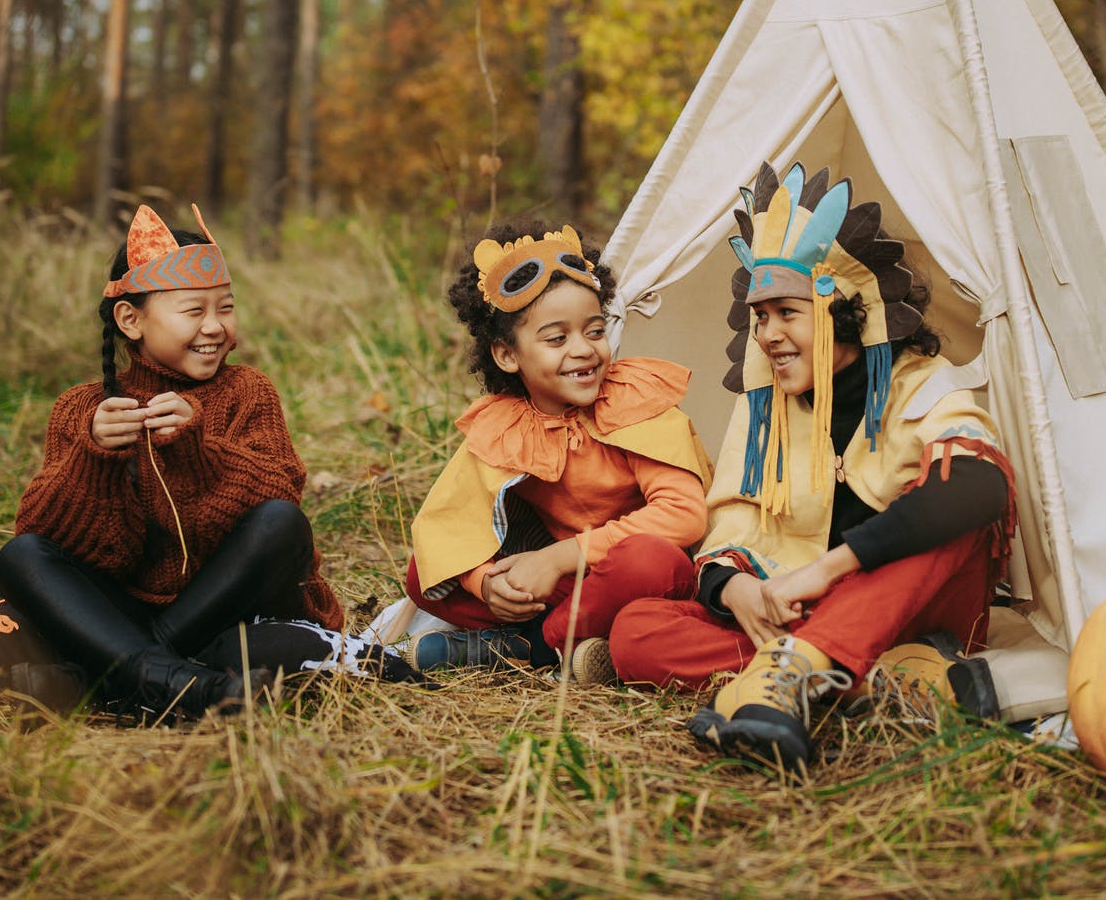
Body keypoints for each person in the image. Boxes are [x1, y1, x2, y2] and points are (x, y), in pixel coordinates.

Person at [608, 164, 1016, 771]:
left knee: (950, 506)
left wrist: (833, 567)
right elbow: (732, 527)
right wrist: (736, 587)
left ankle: (792, 676)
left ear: (843, 310)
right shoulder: (763, 409)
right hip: (812, 615)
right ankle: (881, 683)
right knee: (634, 631)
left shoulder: (921, 387)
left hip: (907, 607)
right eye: (760, 317)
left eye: (787, 314)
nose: (768, 335)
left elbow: (983, 486)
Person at [0, 204, 404, 721]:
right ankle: (182, 679)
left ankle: (127, 677)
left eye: (225, 308)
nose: (215, 327)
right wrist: (92, 459)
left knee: (280, 521)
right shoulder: (84, 409)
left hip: (227, 613)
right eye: (194, 311)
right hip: (124, 608)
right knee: (22, 556)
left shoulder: (247, 392)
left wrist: (198, 449)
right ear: (130, 319)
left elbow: (279, 508)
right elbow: (57, 537)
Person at [402, 222, 712, 684]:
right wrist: (485, 583)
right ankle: (572, 638)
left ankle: (527, 647)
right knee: (424, 570)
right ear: (508, 356)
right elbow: (450, 526)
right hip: (566, 586)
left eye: (594, 330)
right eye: (556, 338)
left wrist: (560, 557)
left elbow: (684, 516)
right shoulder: (507, 425)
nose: (584, 350)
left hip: (630, 574)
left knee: (650, 561)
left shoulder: (633, 401)